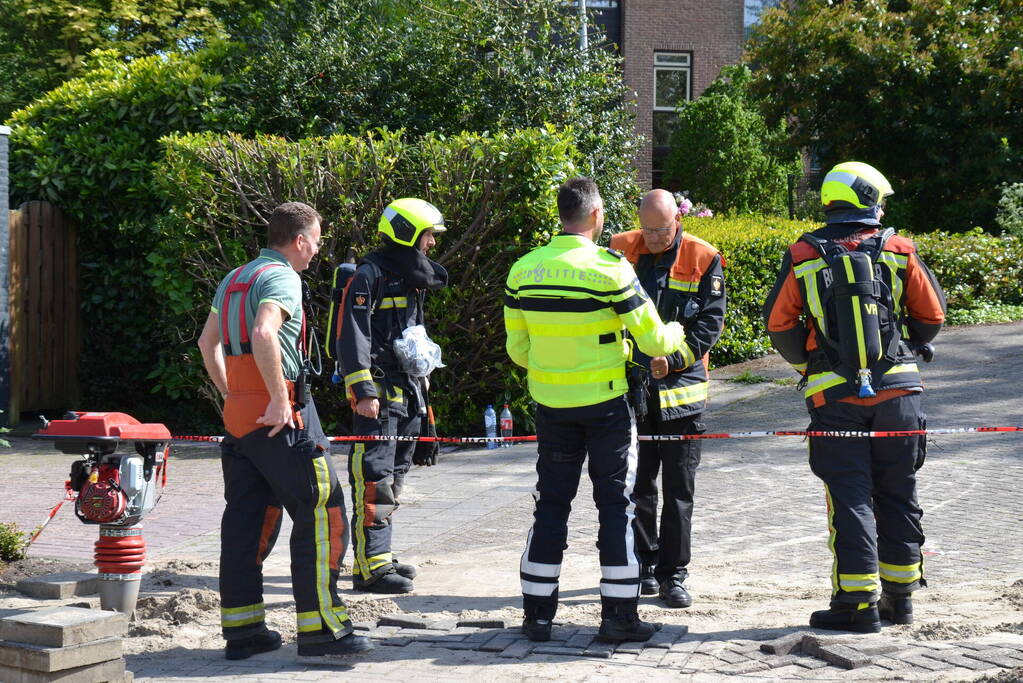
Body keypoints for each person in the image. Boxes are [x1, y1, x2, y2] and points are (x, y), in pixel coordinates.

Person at [762, 162, 946, 633]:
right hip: (899, 394)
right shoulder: (899, 249)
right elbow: (932, 317)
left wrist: (811, 368)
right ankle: (901, 599)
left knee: (850, 499)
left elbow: (780, 325)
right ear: (866, 198)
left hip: (835, 397)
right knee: (899, 491)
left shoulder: (804, 252)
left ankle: (857, 605)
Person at [504, 177, 688, 644]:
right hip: (606, 409)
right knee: (615, 508)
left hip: (550, 408)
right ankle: (619, 618)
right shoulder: (612, 270)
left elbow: (518, 350)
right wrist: (678, 334)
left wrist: (556, 367)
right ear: (595, 215)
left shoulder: (524, 270)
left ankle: (538, 617)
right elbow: (653, 340)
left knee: (550, 506)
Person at [197, 202, 372, 662]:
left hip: (240, 414)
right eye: (315, 240)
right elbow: (264, 332)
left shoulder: (235, 277)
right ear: (298, 240)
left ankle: (243, 630)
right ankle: (322, 631)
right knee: (323, 509)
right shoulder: (282, 277)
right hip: (282, 412)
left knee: (246, 518)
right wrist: (277, 398)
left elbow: (206, 342)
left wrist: (234, 394)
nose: (317, 250)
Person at [609, 189, 726, 609]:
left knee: (679, 490)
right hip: (631, 388)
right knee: (637, 485)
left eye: (660, 230)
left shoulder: (703, 256)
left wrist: (673, 359)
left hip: (682, 392)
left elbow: (711, 322)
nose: (654, 238)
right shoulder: (619, 248)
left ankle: (674, 574)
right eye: (647, 229)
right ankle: (643, 566)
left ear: (677, 220)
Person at [337, 197, 448, 594]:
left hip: (408, 390)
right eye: (428, 235)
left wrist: (424, 372)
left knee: (396, 475)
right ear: (408, 234)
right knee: (374, 479)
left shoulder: (408, 276)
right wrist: (364, 390)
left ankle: (379, 554)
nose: (432, 244)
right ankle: (370, 569)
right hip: (379, 396)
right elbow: (353, 335)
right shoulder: (369, 275)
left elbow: (410, 329)